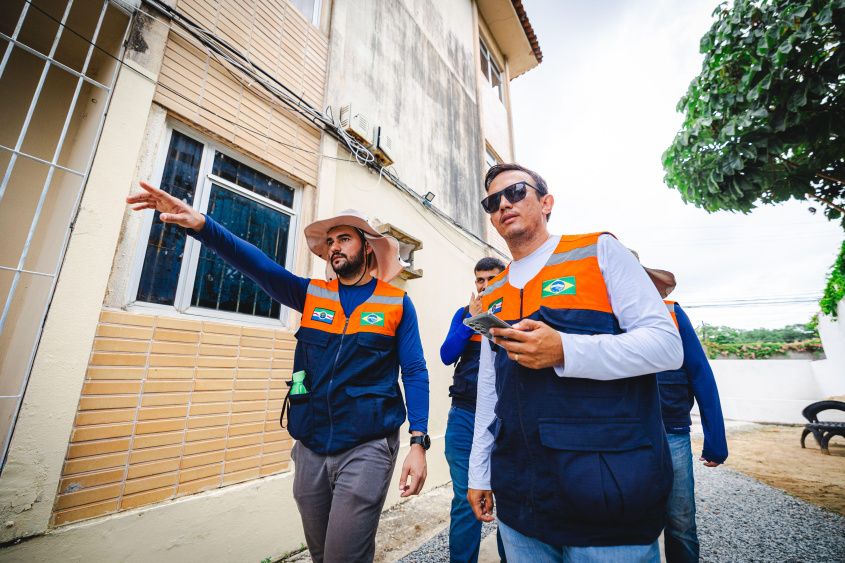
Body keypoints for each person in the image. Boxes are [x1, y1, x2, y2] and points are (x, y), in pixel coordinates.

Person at [127, 182, 430, 563]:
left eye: (345, 238)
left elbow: (415, 371)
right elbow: (256, 264)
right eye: (331, 241)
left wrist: (418, 442)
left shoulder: (397, 303)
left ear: (366, 247)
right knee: (321, 554)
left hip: (367, 446)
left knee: (343, 557)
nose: (335, 246)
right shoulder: (311, 295)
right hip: (311, 446)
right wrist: (202, 225)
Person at [466, 164, 683, 562]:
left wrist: (566, 350)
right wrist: (479, 471)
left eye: (515, 192)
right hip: (521, 495)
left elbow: (666, 346)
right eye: (492, 201)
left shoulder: (599, 251)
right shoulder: (492, 292)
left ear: (546, 203)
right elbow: (489, 387)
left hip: (607, 492)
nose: (503, 205)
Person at [633, 254, 728, 563]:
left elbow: (701, 373)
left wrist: (716, 441)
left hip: (672, 431)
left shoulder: (672, 314)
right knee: (624, 520)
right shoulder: (603, 316)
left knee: (681, 520)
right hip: (625, 435)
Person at [440, 257, 508, 563]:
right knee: (465, 496)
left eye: (491, 279)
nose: (484, 285)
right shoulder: (463, 313)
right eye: (479, 280)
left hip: (505, 417)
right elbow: (446, 354)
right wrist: (471, 320)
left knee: (510, 498)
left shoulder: (517, 308)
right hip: (464, 415)